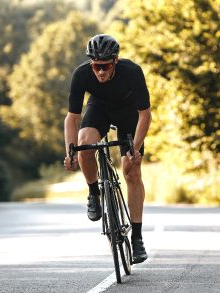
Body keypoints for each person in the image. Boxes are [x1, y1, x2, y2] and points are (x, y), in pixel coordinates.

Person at [63, 34, 151, 264]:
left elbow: (145, 115)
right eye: (96, 66)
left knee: (131, 170)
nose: (100, 71)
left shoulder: (132, 72)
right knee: (85, 142)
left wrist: (135, 148)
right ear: (90, 64)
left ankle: (138, 239)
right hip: (99, 110)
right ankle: (94, 193)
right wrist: (70, 152)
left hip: (129, 114)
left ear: (115, 61)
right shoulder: (81, 74)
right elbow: (72, 119)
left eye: (105, 66)